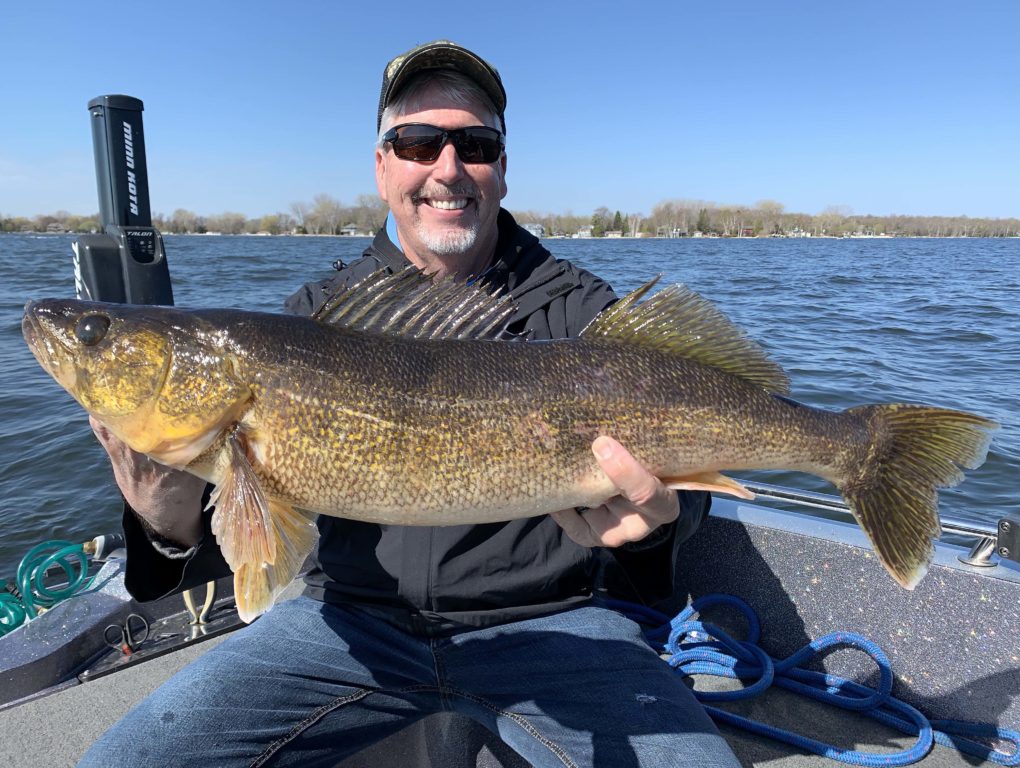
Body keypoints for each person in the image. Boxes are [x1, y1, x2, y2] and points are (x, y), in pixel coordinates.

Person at [79, 41, 741, 768]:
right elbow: (208, 562)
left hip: (559, 627)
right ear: (382, 165)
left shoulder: (583, 317)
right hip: (345, 628)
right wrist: (162, 523)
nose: (447, 168)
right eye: (418, 142)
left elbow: (679, 503)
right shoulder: (315, 318)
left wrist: (653, 529)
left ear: (502, 168)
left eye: (476, 144)